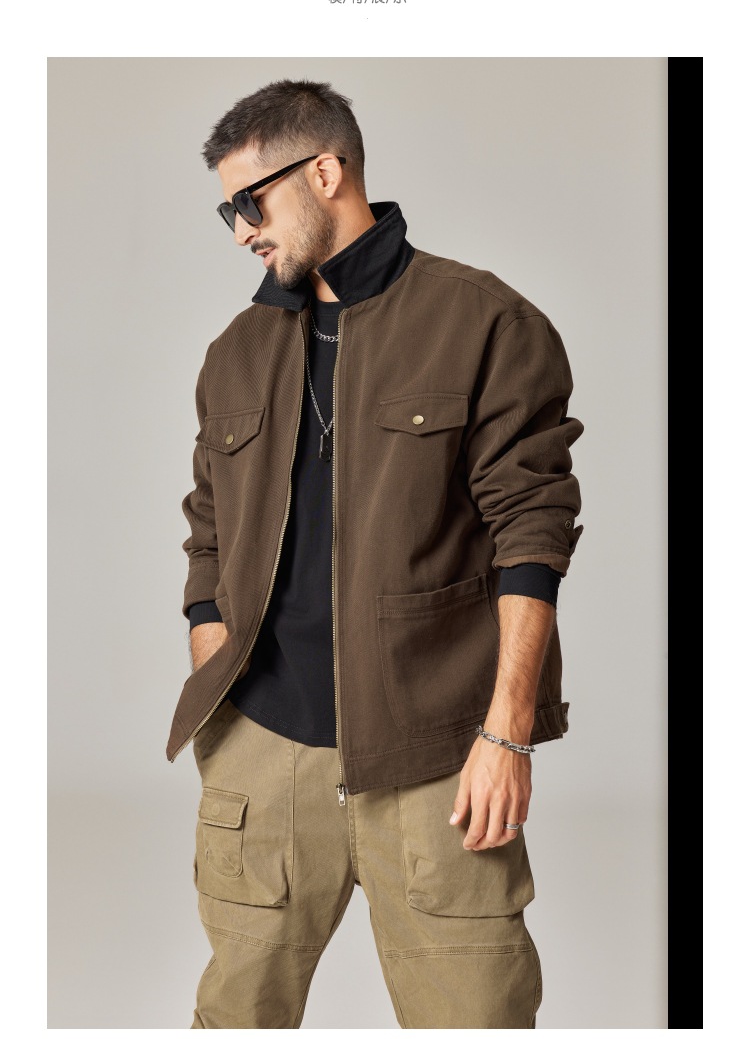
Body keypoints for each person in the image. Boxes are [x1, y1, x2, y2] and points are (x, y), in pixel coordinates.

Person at [167, 79, 584, 1029]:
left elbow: (533, 531)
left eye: (250, 203)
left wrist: (507, 733)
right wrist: (215, 671)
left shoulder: (484, 323)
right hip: (264, 757)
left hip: (437, 760)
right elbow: (208, 529)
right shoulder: (236, 350)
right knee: (233, 1025)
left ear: (326, 171)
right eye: (227, 212)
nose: (241, 232)